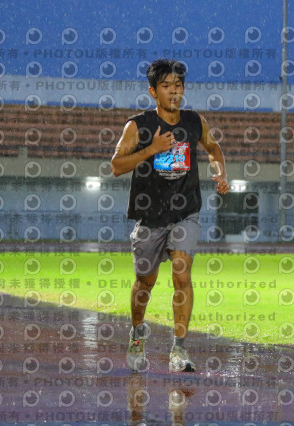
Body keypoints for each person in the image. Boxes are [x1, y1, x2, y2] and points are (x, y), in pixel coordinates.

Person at [111, 58, 229, 373]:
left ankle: (179, 349)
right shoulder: (138, 125)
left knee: (182, 275)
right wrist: (151, 149)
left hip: (185, 213)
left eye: (177, 85)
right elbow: (116, 166)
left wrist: (221, 173)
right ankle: (137, 334)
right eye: (166, 86)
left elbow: (213, 149)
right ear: (153, 91)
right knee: (144, 283)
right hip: (150, 217)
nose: (173, 91)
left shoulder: (194, 121)